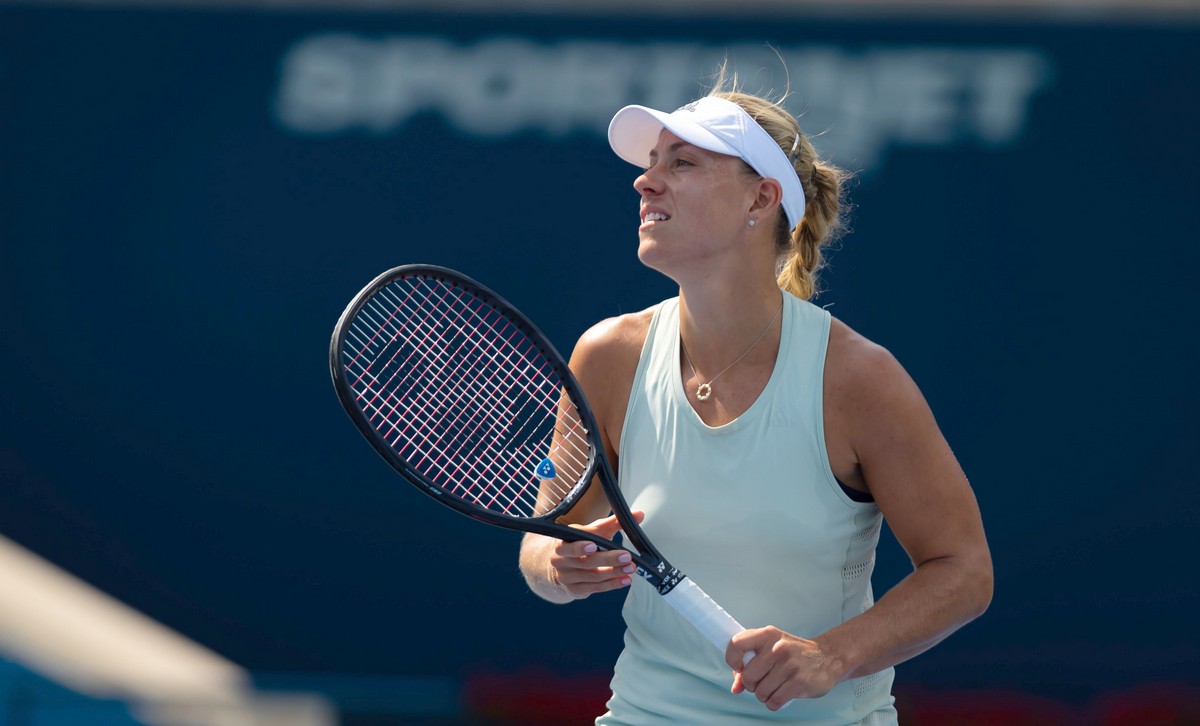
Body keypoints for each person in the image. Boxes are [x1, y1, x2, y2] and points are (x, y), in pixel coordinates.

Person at [517, 71, 993, 725]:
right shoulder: (606, 357)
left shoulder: (858, 379)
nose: (645, 180)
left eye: (681, 163)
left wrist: (831, 655)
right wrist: (558, 563)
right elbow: (545, 543)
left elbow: (963, 570)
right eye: (651, 163)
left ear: (760, 199)